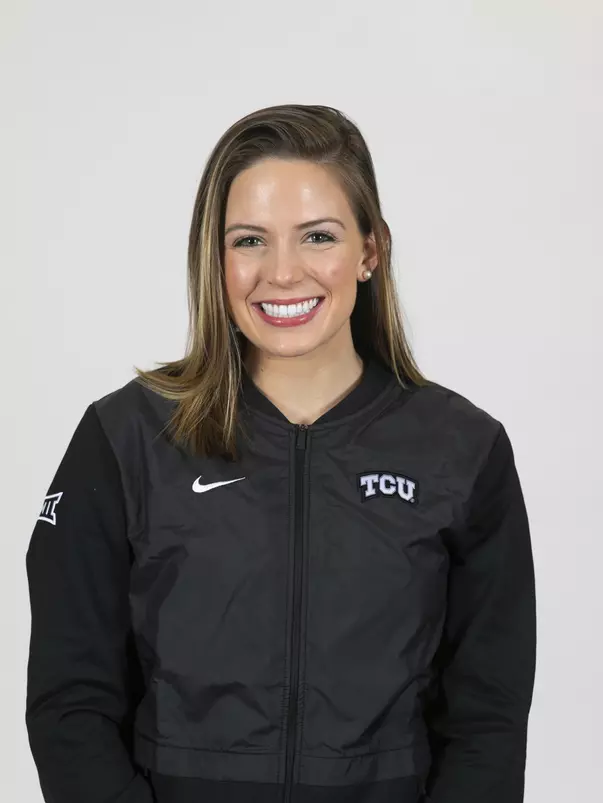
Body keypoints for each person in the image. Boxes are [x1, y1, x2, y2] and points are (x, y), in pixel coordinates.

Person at [25, 103, 537, 803]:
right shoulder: (126, 438)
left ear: (369, 250)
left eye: (317, 236)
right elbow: (70, 702)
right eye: (249, 240)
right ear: (216, 256)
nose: (283, 272)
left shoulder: (461, 448)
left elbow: (487, 720)